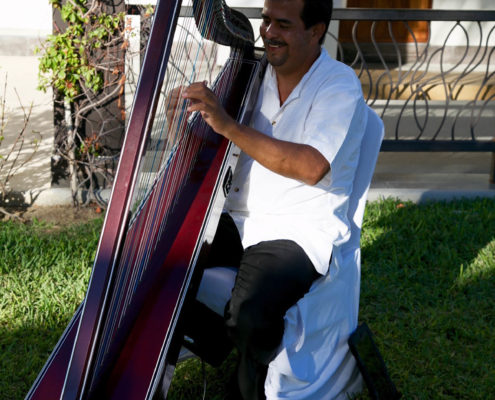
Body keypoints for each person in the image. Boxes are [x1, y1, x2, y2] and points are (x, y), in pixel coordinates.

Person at [182, 0, 367, 398]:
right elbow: (209, 141)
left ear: (316, 30)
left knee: (249, 315)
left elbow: (311, 166)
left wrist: (229, 124)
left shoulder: (338, 83)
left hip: (297, 229)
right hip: (236, 216)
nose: (268, 32)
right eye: (266, 20)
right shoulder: (251, 74)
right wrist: (180, 115)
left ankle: (249, 377)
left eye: (283, 24)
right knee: (165, 269)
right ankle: (217, 348)